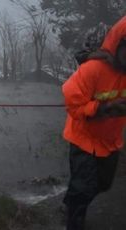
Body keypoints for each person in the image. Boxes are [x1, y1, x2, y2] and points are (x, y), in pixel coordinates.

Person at [62, 16, 126, 230]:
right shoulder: (93, 69)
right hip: (83, 138)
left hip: (110, 140)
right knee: (83, 188)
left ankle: (71, 202)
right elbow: (73, 104)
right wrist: (105, 108)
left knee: (104, 184)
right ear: (119, 45)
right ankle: (73, 219)